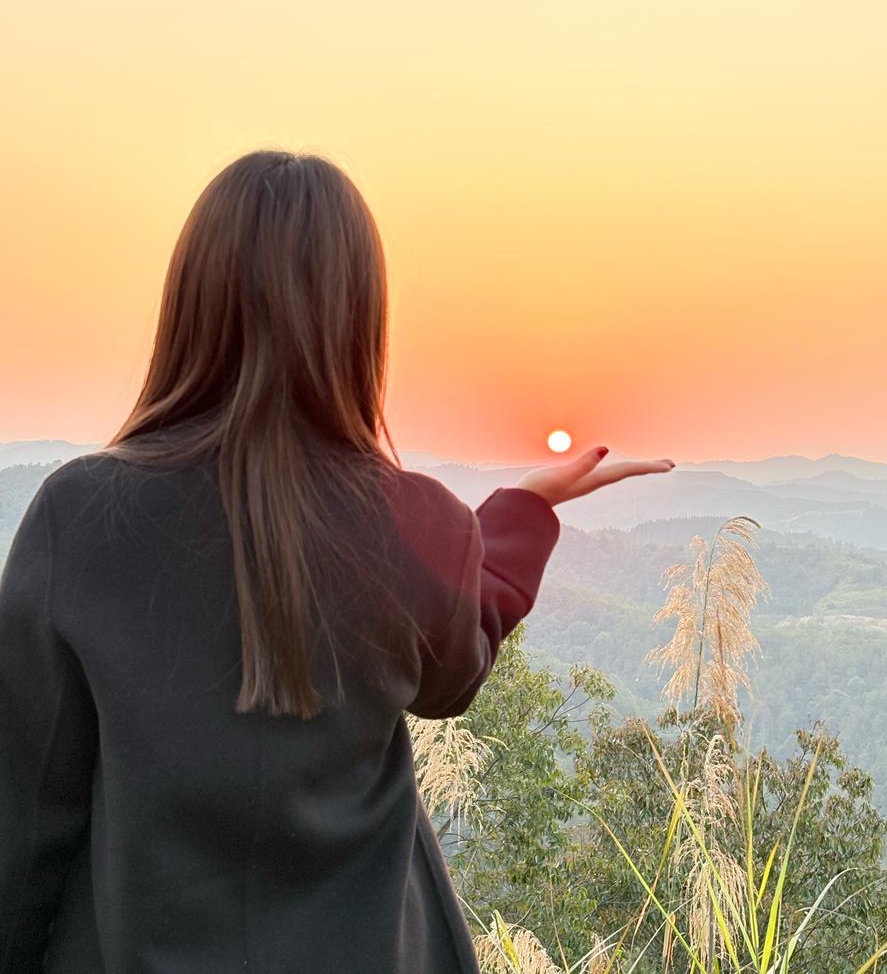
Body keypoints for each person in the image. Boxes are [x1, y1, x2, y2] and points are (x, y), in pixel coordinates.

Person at [0, 149, 676, 973]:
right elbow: (451, 673)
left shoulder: (79, 519)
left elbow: (28, 811)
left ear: (191, 302)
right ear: (358, 318)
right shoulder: (415, 520)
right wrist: (521, 513)